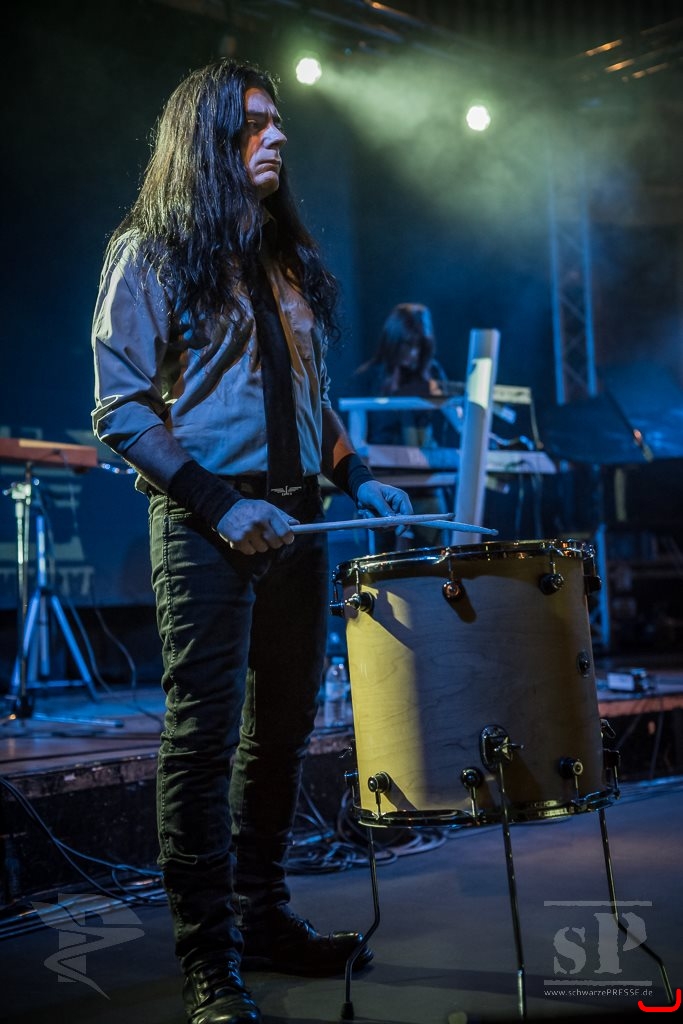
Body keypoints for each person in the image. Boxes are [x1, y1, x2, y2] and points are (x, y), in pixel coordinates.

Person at [91, 58, 412, 1024]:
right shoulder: (149, 252)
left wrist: (358, 477)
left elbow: (312, 399)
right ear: (206, 139)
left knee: (282, 733)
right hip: (207, 522)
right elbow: (120, 408)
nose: (277, 137)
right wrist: (219, 506)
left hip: (300, 522)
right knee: (202, 739)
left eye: (278, 122)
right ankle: (207, 959)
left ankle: (263, 920)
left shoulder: (284, 258)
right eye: (254, 123)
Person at [353, 303, 454, 548]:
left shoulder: (432, 372)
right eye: (408, 345)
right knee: (384, 563)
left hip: (427, 485)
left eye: (420, 346)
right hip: (385, 487)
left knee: (438, 562)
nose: (414, 353)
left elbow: (457, 415)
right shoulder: (369, 376)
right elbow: (356, 439)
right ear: (394, 342)